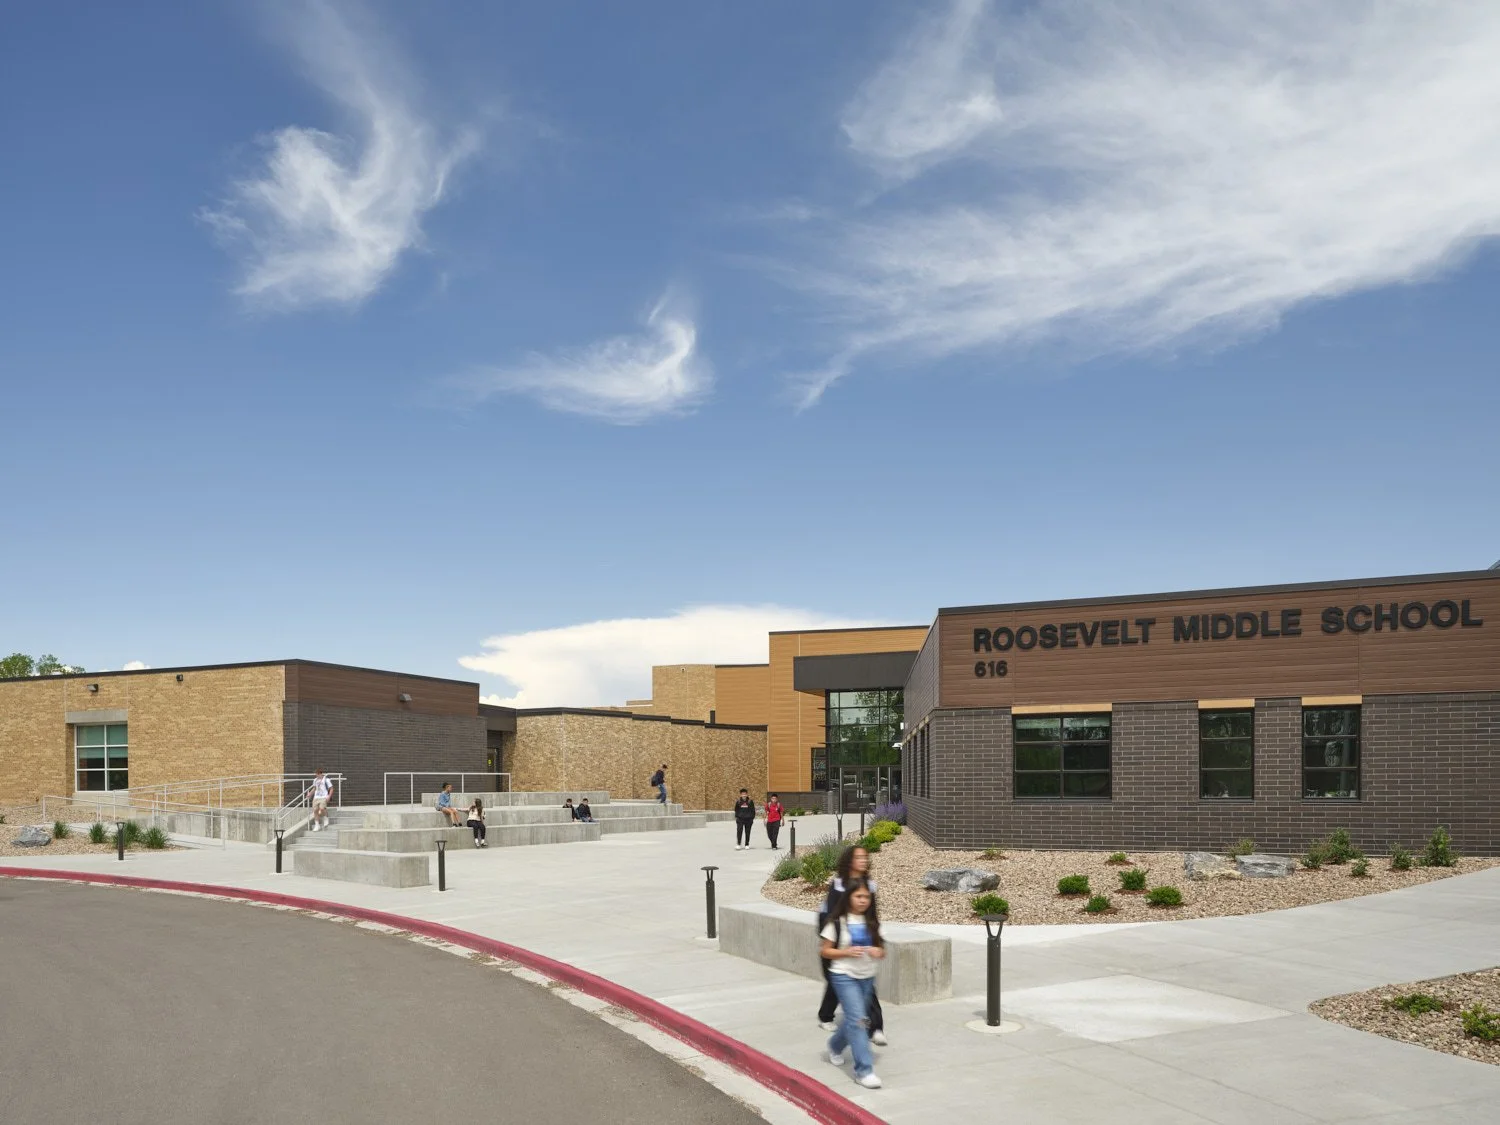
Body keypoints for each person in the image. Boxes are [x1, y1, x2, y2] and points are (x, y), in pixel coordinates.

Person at [820, 878, 885, 1090]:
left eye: (866, 896)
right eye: (858, 896)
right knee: (859, 1021)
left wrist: (878, 951)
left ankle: (834, 1045)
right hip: (843, 975)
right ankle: (864, 1071)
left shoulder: (872, 923)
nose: (863, 900)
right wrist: (846, 952)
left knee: (854, 1020)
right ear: (848, 898)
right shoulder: (837, 922)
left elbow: (881, 949)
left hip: (867, 977)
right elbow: (825, 950)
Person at [817, 846, 886, 1044]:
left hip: (862, 940)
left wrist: (875, 937)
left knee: (866, 987)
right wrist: (832, 942)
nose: (863, 860)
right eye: (859, 857)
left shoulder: (869, 886)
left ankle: (876, 1027)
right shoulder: (838, 884)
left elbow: (873, 914)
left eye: (865, 857)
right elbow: (829, 914)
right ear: (849, 860)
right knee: (836, 981)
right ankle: (826, 1016)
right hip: (840, 941)